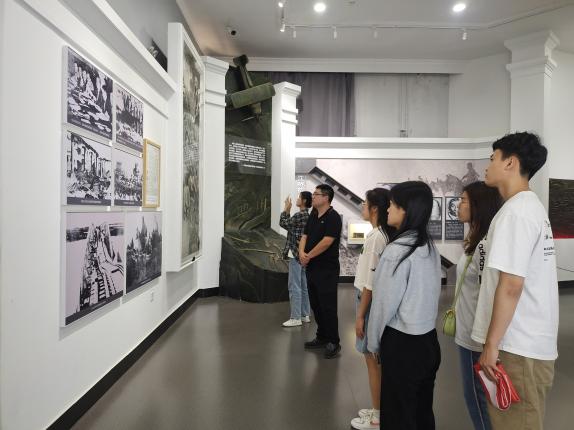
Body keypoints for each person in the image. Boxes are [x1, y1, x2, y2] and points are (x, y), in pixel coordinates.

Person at [471, 132, 558, 430]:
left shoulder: (516, 213)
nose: (487, 166)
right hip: (525, 342)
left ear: (510, 163)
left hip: (516, 346)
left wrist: (491, 345)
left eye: (492, 158)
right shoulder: (528, 207)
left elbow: (511, 285)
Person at [367, 181, 442, 430]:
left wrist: (373, 342)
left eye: (392, 205)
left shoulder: (397, 251)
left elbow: (383, 304)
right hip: (428, 341)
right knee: (422, 413)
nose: (387, 209)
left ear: (406, 210)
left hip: (402, 345)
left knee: (398, 416)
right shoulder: (428, 246)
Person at [453, 181, 502, 430]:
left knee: (478, 401)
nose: (458, 205)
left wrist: (486, 343)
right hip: (469, 333)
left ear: (478, 205)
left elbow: (490, 293)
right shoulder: (475, 239)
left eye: (463, 200)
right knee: (477, 398)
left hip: (475, 339)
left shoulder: (484, 245)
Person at [350, 188, 394, 430]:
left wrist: (360, 316)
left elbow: (370, 283)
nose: (362, 207)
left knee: (372, 361)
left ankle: (378, 416)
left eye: (364, 203)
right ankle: (379, 408)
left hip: (368, 302)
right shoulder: (380, 235)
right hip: (370, 300)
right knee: (375, 361)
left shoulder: (377, 237)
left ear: (375, 208)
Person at [299, 184, 342, 359]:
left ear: (326, 197)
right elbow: (304, 236)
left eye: (316, 194)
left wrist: (308, 256)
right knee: (316, 304)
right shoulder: (313, 215)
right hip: (312, 268)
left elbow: (327, 241)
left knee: (328, 306)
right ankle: (322, 336)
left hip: (327, 270)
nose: (313, 196)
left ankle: (334, 341)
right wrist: (301, 253)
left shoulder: (333, 217)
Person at [279, 191, 312, 327]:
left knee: (294, 286)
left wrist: (286, 209)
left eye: (299, 197)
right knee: (303, 285)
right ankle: (305, 315)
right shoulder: (308, 216)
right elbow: (290, 226)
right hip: (303, 255)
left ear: (304, 201)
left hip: (295, 253)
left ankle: (295, 317)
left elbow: (283, 223)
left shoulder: (299, 215)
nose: (297, 199)